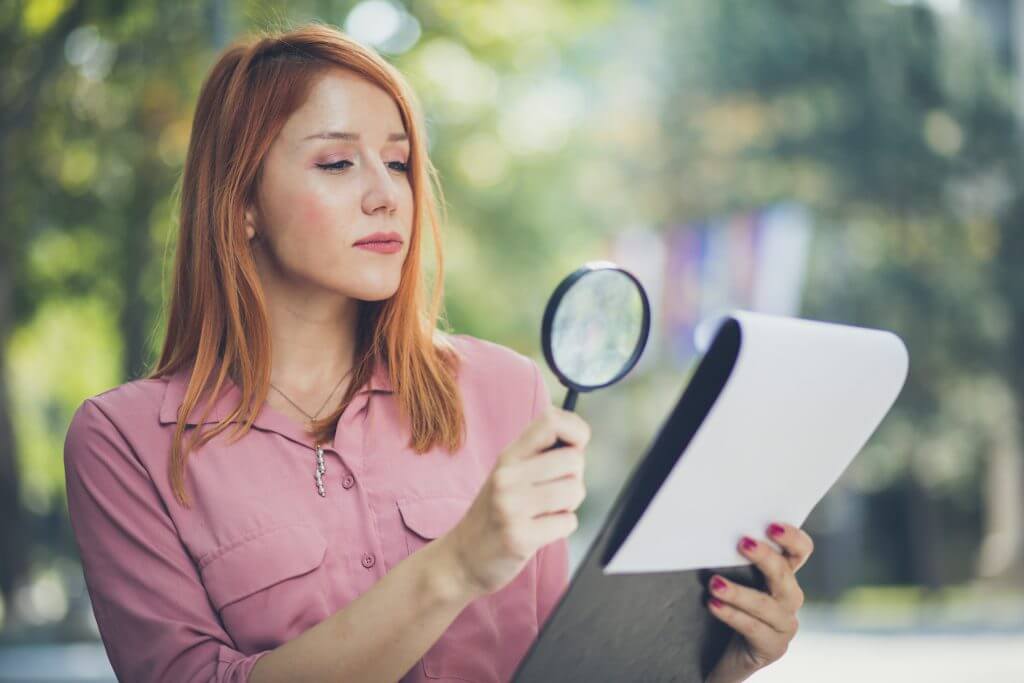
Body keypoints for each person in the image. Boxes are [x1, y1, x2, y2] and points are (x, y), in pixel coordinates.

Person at [62, 22, 813, 683]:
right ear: (241, 205)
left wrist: (717, 664)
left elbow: (559, 666)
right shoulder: (124, 442)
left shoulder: (505, 389)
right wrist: (455, 565)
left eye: (396, 162)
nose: (387, 194)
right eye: (336, 163)